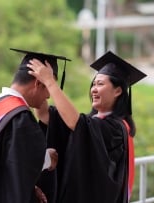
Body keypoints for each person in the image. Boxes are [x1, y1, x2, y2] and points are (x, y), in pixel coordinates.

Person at [27, 51, 147, 203]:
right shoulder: (92, 122)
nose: (94, 89)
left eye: (100, 84)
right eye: (93, 84)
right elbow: (45, 115)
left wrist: (50, 81)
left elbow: (78, 124)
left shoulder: (116, 129)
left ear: (117, 91)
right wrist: (40, 80)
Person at [0, 48, 69, 203]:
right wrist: (47, 158)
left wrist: (31, 187)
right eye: (48, 88)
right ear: (38, 83)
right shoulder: (20, 116)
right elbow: (20, 163)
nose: (48, 96)